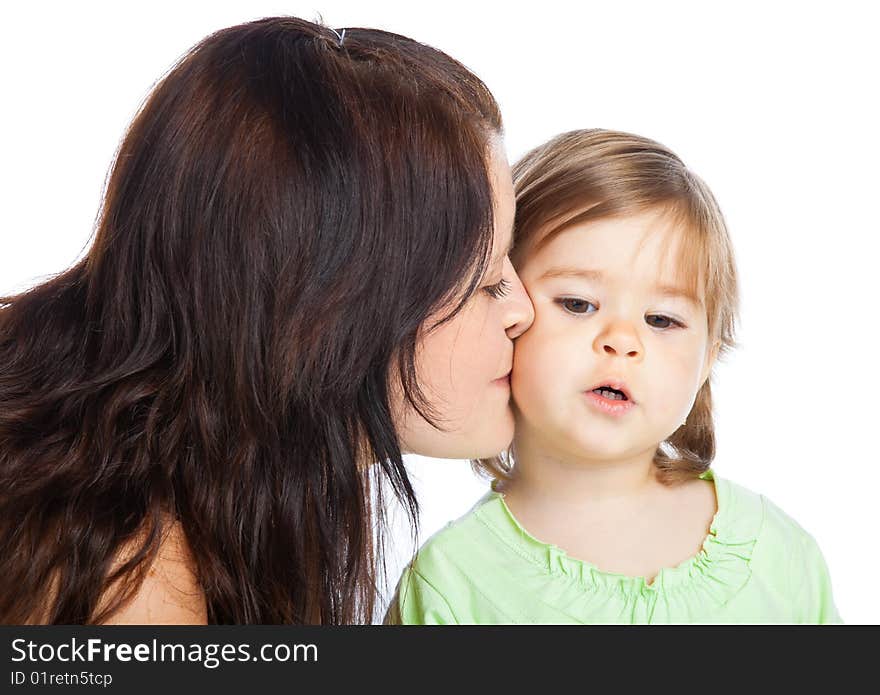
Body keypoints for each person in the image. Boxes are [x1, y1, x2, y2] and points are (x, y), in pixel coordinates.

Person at [0, 16, 533, 625]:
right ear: (336, 305)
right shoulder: (135, 594)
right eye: (485, 278)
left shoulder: (220, 485)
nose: (522, 309)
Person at [389, 129, 840, 624]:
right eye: (578, 304)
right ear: (507, 303)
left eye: (662, 320)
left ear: (708, 358)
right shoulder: (449, 585)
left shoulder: (776, 556)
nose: (622, 341)